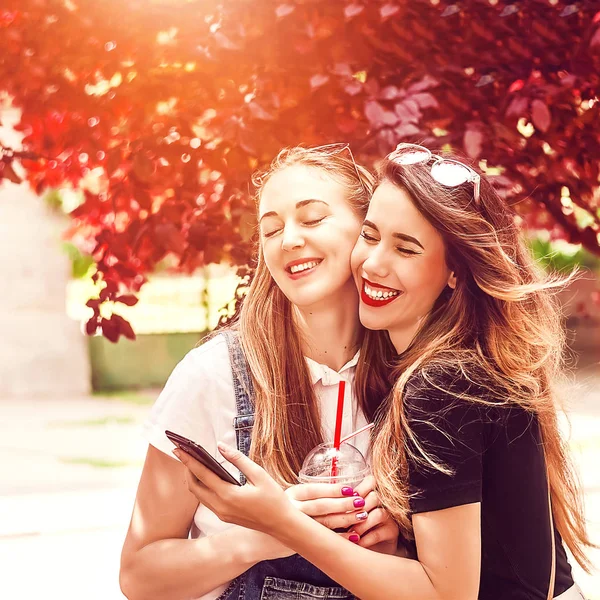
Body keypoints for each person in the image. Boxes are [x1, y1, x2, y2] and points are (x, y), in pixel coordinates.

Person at [174, 143, 594, 599]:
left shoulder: (440, 383)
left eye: (406, 249)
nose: (373, 264)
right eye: (370, 237)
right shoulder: (458, 363)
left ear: (455, 272)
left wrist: (283, 525)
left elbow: (444, 595)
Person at [119, 145, 400, 600]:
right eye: (271, 229)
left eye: (311, 219)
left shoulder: (420, 378)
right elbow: (139, 576)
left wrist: (395, 546)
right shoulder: (213, 375)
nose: (288, 239)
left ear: (368, 233)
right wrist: (268, 533)